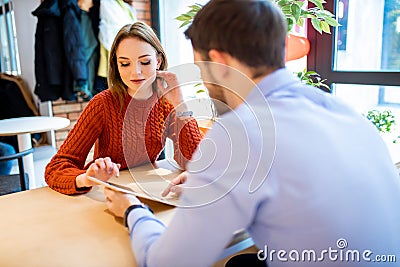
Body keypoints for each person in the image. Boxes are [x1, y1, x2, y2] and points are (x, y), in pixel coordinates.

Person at [104, 1, 400, 267]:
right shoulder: (345, 112)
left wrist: (132, 210)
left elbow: (166, 262)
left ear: (219, 63)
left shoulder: (240, 133)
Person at [45, 21, 203, 195]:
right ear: (116, 66)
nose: (135, 72)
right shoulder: (102, 104)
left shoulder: (167, 103)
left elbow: (197, 161)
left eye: (144, 62)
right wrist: (86, 178)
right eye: (125, 64)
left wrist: (181, 106)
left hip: (147, 190)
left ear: (158, 61)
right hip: (106, 191)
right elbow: (56, 167)